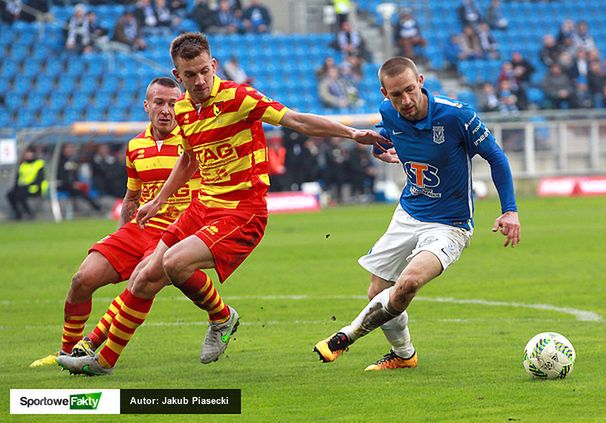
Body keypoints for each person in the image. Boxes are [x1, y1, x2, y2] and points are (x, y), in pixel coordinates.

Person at [56, 32, 389, 376]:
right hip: (202, 207)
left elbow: (298, 120)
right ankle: (103, 360)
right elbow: (188, 159)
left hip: (243, 211)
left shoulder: (239, 98)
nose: (199, 81)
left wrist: (352, 134)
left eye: (204, 71)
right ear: (178, 76)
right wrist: (158, 200)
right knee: (143, 276)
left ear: (213, 65)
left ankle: (222, 318)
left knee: (172, 263)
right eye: (190, 75)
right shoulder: (183, 109)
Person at [313, 57, 520, 371]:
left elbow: (497, 158)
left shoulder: (457, 116)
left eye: (410, 90)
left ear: (421, 81)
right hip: (408, 213)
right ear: (385, 93)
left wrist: (510, 211)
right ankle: (404, 355)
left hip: (450, 224)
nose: (405, 100)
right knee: (378, 292)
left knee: (408, 283)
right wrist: (379, 147)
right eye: (396, 95)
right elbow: (389, 135)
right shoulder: (388, 113)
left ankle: (347, 335)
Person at [30, 77, 200, 368]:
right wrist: (122, 233)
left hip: (177, 234)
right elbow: (132, 197)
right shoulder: (135, 146)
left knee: (139, 284)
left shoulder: (194, 141)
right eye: (159, 102)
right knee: (81, 280)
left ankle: (96, 350)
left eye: (173, 103)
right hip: (140, 229)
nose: (166, 110)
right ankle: (67, 353)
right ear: (147, 105)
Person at [6, 146, 46, 220]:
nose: (29, 154)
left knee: (21, 194)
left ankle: (29, 213)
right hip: (23, 188)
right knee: (10, 194)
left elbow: (40, 179)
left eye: (30, 152)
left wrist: (27, 185)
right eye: (27, 153)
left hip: (35, 188)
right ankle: (18, 214)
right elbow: (17, 178)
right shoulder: (22, 165)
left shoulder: (39, 163)